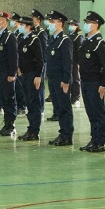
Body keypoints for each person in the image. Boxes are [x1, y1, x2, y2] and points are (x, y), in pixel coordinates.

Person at [75, 11, 105, 153]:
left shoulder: (99, 43)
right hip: (85, 81)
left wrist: (103, 84)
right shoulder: (87, 42)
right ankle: (94, 139)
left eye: (89, 23)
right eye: (86, 22)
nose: (87, 25)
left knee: (98, 113)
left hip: (95, 83)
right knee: (91, 112)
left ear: (96, 25)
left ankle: (99, 142)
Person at [45, 11, 74, 146]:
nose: (50, 24)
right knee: (58, 108)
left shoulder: (64, 40)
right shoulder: (52, 39)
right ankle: (62, 132)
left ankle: (67, 135)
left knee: (64, 108)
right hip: (52, 79)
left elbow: (68, 62)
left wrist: (66, 80)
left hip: (61, 80)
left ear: (60, 23)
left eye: (52, 22)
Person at [0, 12, 19, 137]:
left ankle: (11, 125)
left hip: (7, 73)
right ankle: (6, 124)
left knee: (9, 99)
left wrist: (12, 73)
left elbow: (14, 57)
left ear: (4, 22)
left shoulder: (9, 36)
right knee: (2, 98)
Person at [16, 15, 44, 141]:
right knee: (28, 102)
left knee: (34, 103)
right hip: (24, 75)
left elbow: (40, 60)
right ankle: (31, 128)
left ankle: (35, 130)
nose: (20, 27)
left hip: (33, 75)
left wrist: (38, 75)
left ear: (28, 26)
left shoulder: (34, 40)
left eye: (22, 25)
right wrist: (19, 68)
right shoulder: (22, 39)